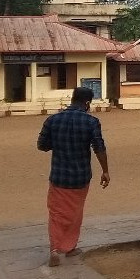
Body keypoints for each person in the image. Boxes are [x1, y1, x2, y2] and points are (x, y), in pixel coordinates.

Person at [37, 87, 110, 267]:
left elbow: (42, 145)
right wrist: (105, 170)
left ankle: (55, 248)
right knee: (76, 211)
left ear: (72, 99)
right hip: (81, 174)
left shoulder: (52, 120)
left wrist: (60, 142)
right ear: (87, 103)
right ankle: (69, 246)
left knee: (56, 212)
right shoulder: (91, 122)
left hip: (59, 175)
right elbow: (99, 147)